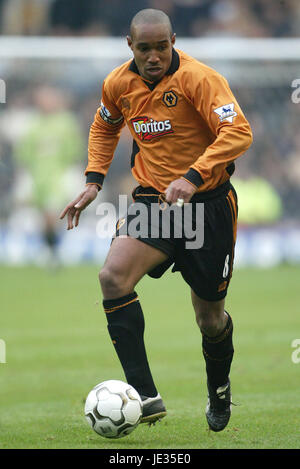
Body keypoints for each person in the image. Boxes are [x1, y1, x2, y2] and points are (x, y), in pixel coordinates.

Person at [60, 8, 253, 432]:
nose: (153, 56)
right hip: (155, 204)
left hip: (208, 207)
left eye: (161, 47)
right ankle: (144, 396)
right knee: (112, 277)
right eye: (144, 48)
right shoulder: (117, 84)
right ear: (130, 47)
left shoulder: (200, 79)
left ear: (173, 41)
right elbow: (104, 126)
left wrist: (192, 177)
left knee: (210, 319)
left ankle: (218, 391)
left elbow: (238, 131)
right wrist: (94, 179)